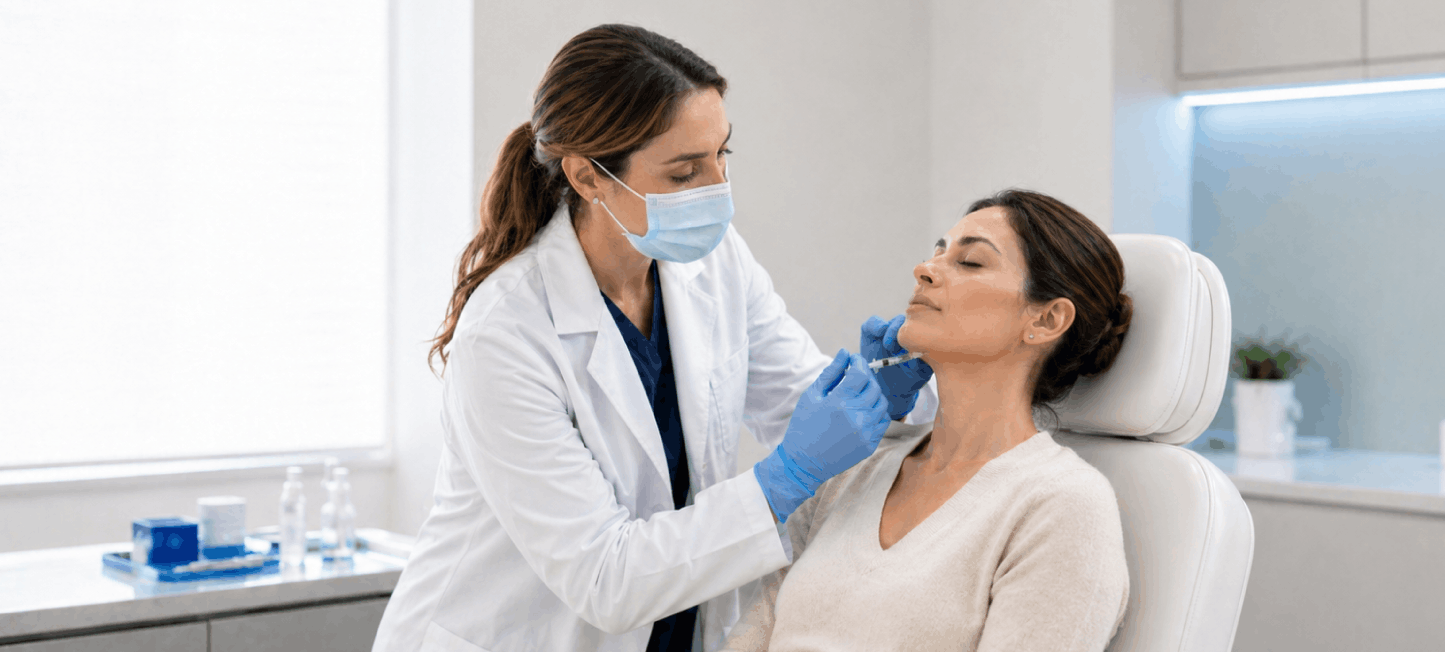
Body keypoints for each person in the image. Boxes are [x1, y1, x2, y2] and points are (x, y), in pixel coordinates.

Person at [371, 24, 935, 652]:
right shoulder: (506, 332)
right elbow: (605, 579)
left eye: (722, 155)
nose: (717, 189)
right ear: (588, 178)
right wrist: (783, 477)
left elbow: (800, 409)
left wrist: (881, 398)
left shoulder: (716, 263)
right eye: (684, 172)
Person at [720, 189, 1133, 652]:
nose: (924, 269)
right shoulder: (851, 471)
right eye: (938, 251)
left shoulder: (1063, 507)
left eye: (970, 262)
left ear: (1047, 319)